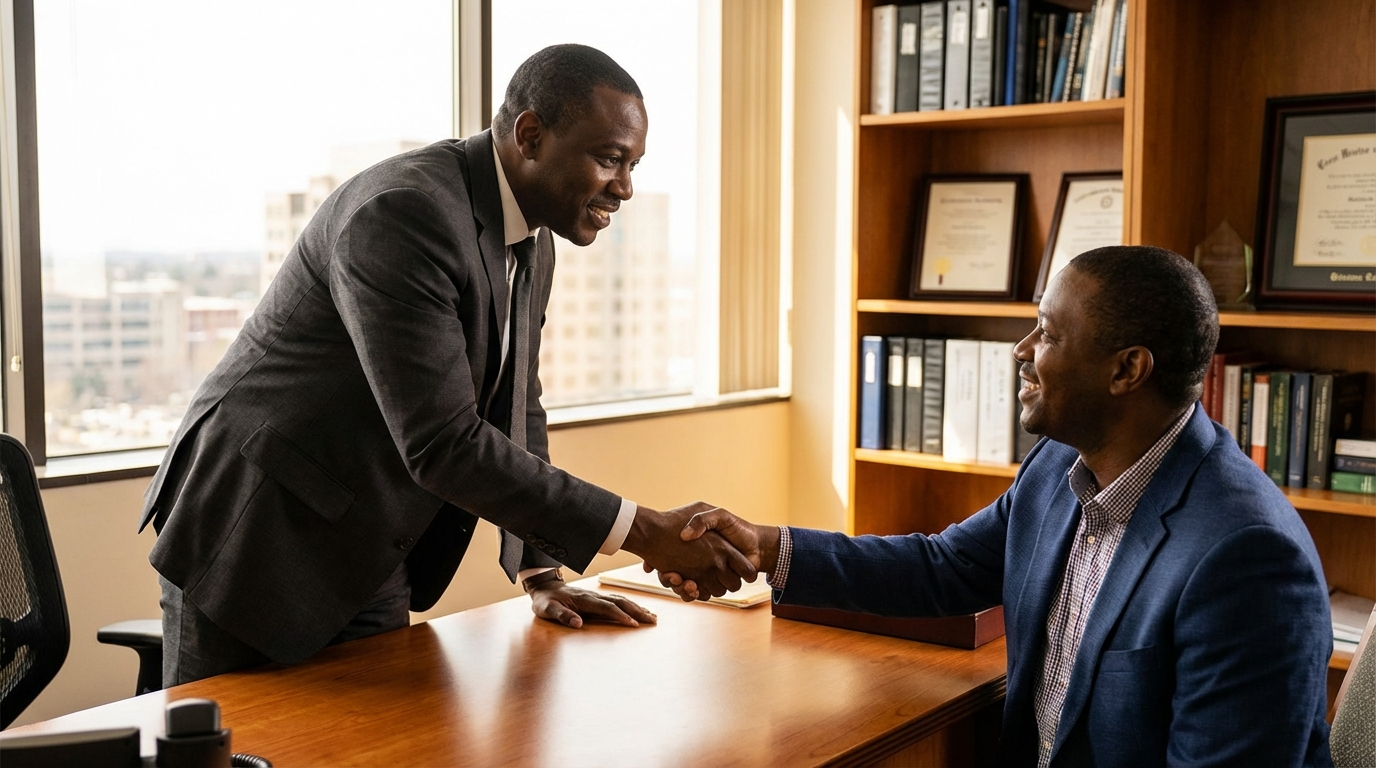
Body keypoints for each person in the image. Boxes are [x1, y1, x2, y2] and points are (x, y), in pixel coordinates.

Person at [139, 44, 754, 687]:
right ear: (531, 135)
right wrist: (646, 530)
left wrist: (540, 569)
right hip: (257, 537)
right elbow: (443, 442)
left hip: (369, 546)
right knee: (227, 752)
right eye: (609, 159)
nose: (625, 187)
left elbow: (517, 405)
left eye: (633, 164)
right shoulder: (406, 212)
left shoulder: (533, 238)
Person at [661, 246, 1334, 766]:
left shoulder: (1245, 556)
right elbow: (945, 569)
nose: (1021, 351)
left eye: (1047, 333)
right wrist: (764, 546)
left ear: (1127, 370)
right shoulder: (1058, 468)